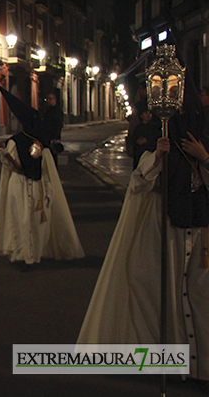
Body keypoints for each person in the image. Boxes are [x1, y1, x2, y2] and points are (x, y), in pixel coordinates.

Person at [78, 78, 209, 383]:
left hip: (203, 233)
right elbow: (139, 183)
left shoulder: (204, 141)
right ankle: (179, 366)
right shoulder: (161, 144)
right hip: (172, 231)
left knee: (201, 297)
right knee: (172, 296)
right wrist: (158, 157)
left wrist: (204, 157)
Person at [0, 85, 84, 270]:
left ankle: (35, 254)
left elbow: (48, 167)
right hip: (18, 184)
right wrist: (4, 155)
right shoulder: (15, 142)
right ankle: (21, 254)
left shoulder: (41, 142)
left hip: (38, 186)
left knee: (35, 221)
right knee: (20, 220)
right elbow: (10, 165)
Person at [128, 101, 160, 169]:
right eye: (146, 113)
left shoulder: (155, 127)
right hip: (140, 154)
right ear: (141, 115)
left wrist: (147, 141)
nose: (148, 115)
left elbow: (156, 138)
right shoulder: (138, 127)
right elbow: (132, 138)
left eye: (149, 113)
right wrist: (137, 141)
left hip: (150, 154)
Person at [41, 92, 64, 166]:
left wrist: (56, 137)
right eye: (47, 99)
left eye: (50, 99)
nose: (48, 101)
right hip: (47, 136)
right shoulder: (48, 110)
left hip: (53, 137)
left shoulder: (57, 110)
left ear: (55, 100)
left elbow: (58, 124)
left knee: (53, 154)